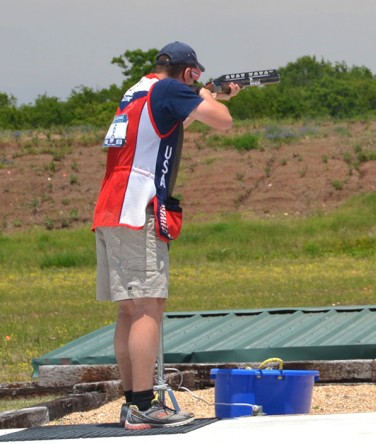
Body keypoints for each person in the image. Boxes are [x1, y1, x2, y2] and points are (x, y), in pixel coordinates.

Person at [92, 41, 240, 430]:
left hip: (113, 205)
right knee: (147, 308)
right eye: (197, 75)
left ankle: (134, 404)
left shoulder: (138, 90)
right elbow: (223, 122)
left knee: (130, 309)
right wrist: (210, 97)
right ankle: (143, 406)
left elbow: (172, 124)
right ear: (189, 72)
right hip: (137, 206)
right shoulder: (171, 89)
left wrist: (203, 96)